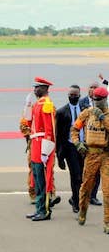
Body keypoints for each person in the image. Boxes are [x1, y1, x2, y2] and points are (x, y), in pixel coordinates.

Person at [71, 86, 109, 233]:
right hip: (91, 155)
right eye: (94, 99)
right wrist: (77, 143)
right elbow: (74, 129)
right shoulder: (87, 113)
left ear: (105, 100)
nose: (96, 102)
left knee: (107, 191)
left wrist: (102, 118)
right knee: (86, 187)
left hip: (106, 155)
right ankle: (82, 211)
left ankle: (107, 221)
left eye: (99, 100)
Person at [24, 77, 57, 222]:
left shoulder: (47, 104)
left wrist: (46, 150)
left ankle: (45, 210)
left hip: (43, 145)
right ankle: (39, 208)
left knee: (43, 180)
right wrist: (27, 106)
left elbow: (49, 129)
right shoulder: (39, 103)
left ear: (44, 88)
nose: (35, 89)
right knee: (37, 179)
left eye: (37, 87)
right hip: (36, 144)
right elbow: (29, 121)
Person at [56, 85, 84, 213]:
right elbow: (58, 136)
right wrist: (59, 157)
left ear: (79, 95)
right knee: (76, 176)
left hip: (84, 147)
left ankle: (74, 198)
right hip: (70, 147)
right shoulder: (62, 112)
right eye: (71, 94)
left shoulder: (86, 109)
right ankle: (77, 202)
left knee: (83, 177)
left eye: (75, 95)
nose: (73, 97)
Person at [79, 82, 103, 206]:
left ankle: (93, 196)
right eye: (91, 87)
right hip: (84, 142)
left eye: (95, 87)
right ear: (87, 89)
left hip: (98, 143)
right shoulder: (81, 103)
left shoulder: (103, 104)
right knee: (85, 172)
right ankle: (83, 196)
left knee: (97, 172)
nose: (93, 89)